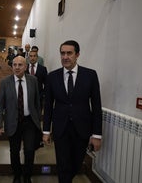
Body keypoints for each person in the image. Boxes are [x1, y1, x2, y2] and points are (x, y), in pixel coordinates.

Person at [42, 40, 102, 183]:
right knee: (63, 165)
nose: (65, 57)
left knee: (76, 164)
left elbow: (96, 106)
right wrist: (46, 131)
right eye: (62, 53)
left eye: (69, 53)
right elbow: (48, 105)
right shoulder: (52, 77)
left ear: (77, 55)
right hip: (60, 128)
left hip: (82, 129)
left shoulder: (90, 75)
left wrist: (97, 134)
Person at [0, 56, 41, 183]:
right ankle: (17, 175)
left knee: (30, 150)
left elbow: (37, 103)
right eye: (14, 64)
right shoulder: (5, 82)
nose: (16, 67)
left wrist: (38, 121)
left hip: (29, 121)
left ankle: (27, 176)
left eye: (20, 65)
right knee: (14, 151)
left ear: (25, 67)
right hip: (12, 122)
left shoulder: (33, 80)